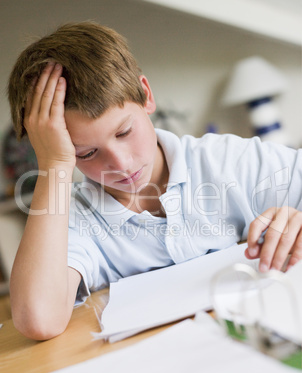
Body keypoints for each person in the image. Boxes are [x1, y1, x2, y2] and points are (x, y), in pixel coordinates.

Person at [7, 21, 302, 340]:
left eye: (124, 132)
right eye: (87, 153)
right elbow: (38, 319)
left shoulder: (229, 161)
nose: (121, 164)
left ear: (145, 94)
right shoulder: (75, 220)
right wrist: (54, 166)